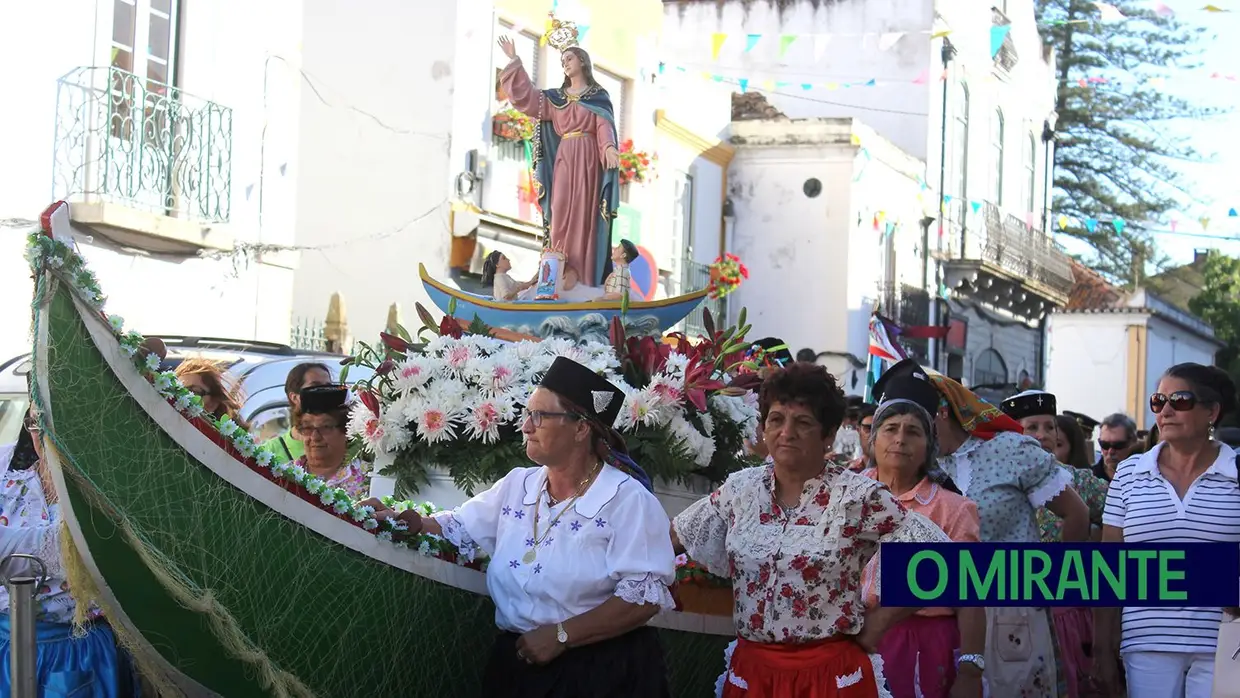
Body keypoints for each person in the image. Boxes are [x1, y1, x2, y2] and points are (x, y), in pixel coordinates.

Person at [363, 357, 675, 697]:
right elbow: (460, 527)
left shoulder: (626, 500)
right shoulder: (519, 486)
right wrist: (411, 521)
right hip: (519, 665)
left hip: (601, 675)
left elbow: (643, 598)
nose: (526, 426)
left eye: (539, 416)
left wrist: (561, 635)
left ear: (581, 427)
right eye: (528, 414)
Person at [672, 362, 951, 697]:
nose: (786, 432)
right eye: (776, 419)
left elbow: (943, 563)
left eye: (803, 422)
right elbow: (672, 538)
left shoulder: (857, 495)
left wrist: (877, 625)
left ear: (828, 434)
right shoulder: (740, 490)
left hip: (831, 676)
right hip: (753, 673)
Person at [874, 360, 1089, 698]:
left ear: (941, 411)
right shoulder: (921, 466)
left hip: (1012, 607)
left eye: (915, 421)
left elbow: (1076, 514)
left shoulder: (1008, 450)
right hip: (944, 621)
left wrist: (1057, 585)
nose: (903, 434)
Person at [1095, 363, 1240, 698]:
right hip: (1145, 644)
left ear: (1212, 412)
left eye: (1181, 400)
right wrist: (1102, 649)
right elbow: (1109, 569)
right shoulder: (1129, 473)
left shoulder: (1237, 472)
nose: (1167, 411)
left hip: (1224, 644)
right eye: (1158, 401)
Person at [858, 379, 986, 698]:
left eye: (913, 432)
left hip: (922, 643)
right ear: (873, 440)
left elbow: (970, 595)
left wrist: (971, 670)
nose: (900, 439)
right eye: (890, 429)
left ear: (929, 446)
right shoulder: (843, 494)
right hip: (848, 635)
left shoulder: (953, 509)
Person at [0, 408, 139, 697]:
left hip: (79, 652)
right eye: (36, 423)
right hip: (6, 645)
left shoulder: (107, 486)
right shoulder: (6, 467)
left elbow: (96, 551)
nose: (44, 434)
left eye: (55, 421)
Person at [1002, 391, 1110, 698]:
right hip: (1007, 613)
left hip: (1068, 617)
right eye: (1032, 427)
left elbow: (1127, 511)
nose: (1043, 435)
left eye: (1050, 427)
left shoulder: (1076, 482)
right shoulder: (991, 482)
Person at [497, 29, 621, 287]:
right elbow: (529, 99)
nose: (565, 64)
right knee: (560, 209)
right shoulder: (556, 98)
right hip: (565, 158)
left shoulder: (598, 97)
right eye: (562, 61)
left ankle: (582, 275)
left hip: (588, 159)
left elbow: (603, 125)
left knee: (584, 213)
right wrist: (514, 61)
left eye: (569, 59)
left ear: (583, 62)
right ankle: (557, 268)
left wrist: (608, 147)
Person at [295, 385, 369, 500]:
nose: (314, 437)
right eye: (307, 427)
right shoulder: (284, 475)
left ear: (346, 431)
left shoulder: (368, 477)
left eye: (325, 427)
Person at [261, 362, 332, 461]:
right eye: (315, 387)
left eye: (328, 387)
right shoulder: (269, 453)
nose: (325, 392)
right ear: (294, 397)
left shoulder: (346, 443)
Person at [174, 358, 248, 429]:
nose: (181, 396)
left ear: (213, 404)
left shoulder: (222, 441)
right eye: (177, 389)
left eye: (194, 392)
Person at [1093, 413, 1139, 482]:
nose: (1110, 451)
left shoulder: (1146, 477)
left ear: (1133, 442)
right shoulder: (1089, 479)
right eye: (1105, 445)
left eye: (1118, 445)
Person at [850, 403, 877, 471]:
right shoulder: (848, 472)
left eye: (878, 429)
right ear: (858, 430)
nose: (873, 434)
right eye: (868, 428)